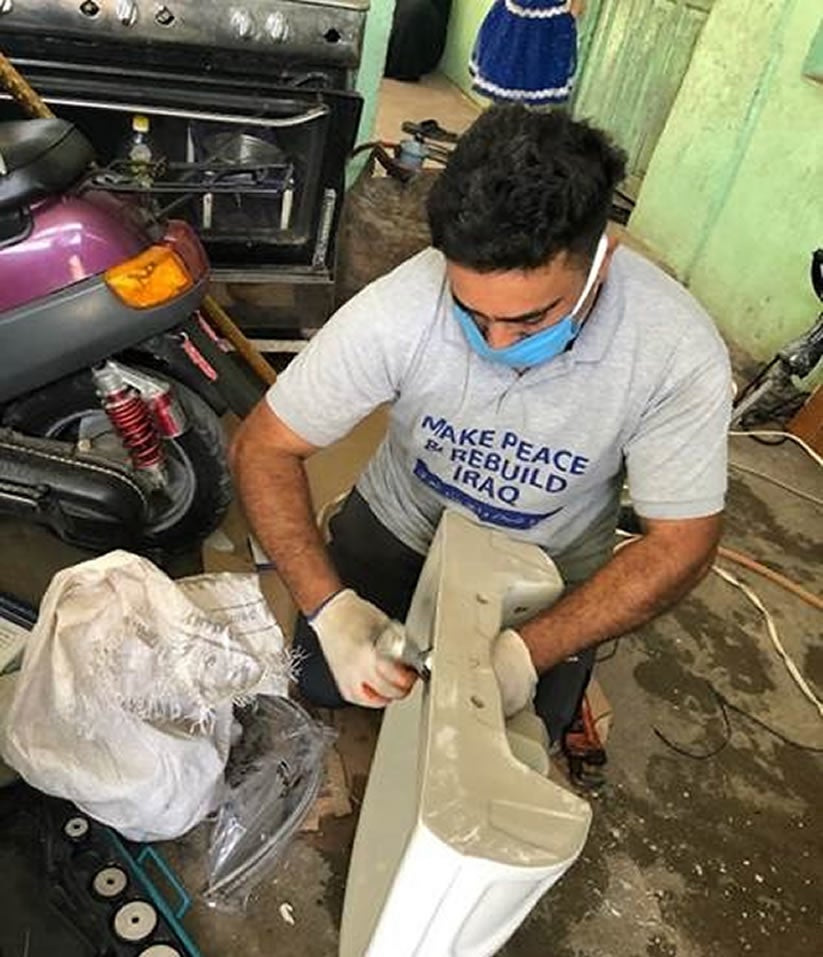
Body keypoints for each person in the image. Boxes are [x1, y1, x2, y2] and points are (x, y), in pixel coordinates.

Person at [231, 105, 731, 746]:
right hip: (399, 525)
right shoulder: (398, 311)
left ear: (600, 260)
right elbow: (264, 446)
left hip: (546, 568)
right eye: (472, 313)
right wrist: (330, 608)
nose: (495, 343)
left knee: (509, 734)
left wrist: (530, 650)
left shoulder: (674, 351)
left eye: (529, 321)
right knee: (328, 683)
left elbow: (683, 542)